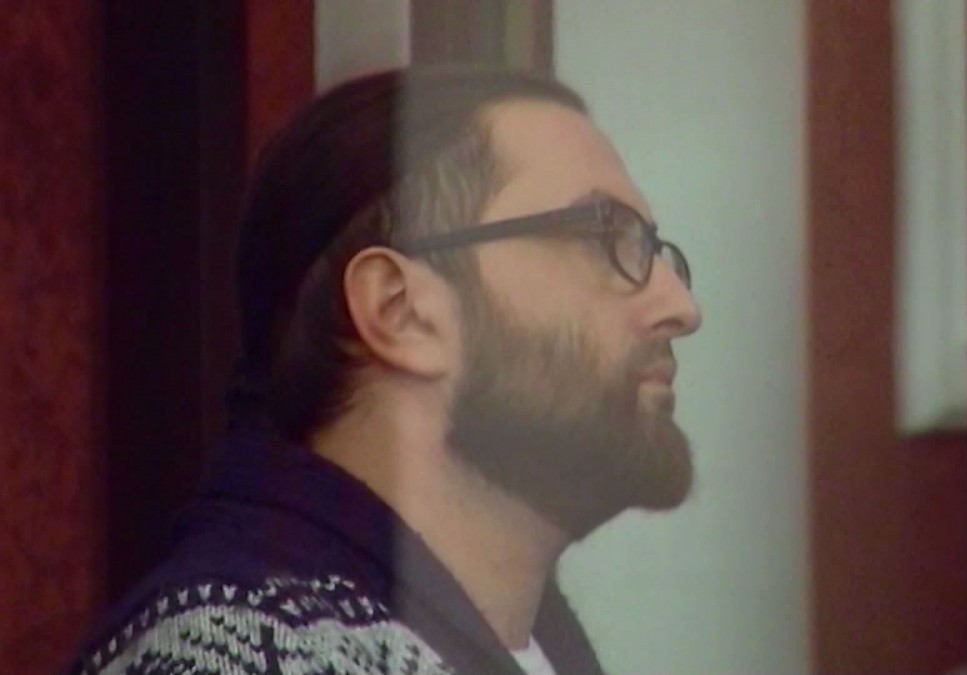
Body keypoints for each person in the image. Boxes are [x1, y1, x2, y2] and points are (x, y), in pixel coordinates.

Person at [69, 65, 702, 674]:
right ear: (400, 311)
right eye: (604, 237)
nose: (681, 307)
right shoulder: (232, 659)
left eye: (653, 250)